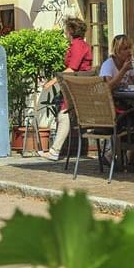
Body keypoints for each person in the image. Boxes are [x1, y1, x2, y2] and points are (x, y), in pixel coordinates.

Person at [39, 17, 96, 161]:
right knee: (66, 116)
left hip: (76, 87)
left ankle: (55, 151)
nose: (65, 32)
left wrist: (52, 82)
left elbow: (72, 68)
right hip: (78, 86)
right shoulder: (81, 45)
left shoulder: (77, 46)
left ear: (70, 31)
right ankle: (56, 150)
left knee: (64, 115)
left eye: (66, 30)